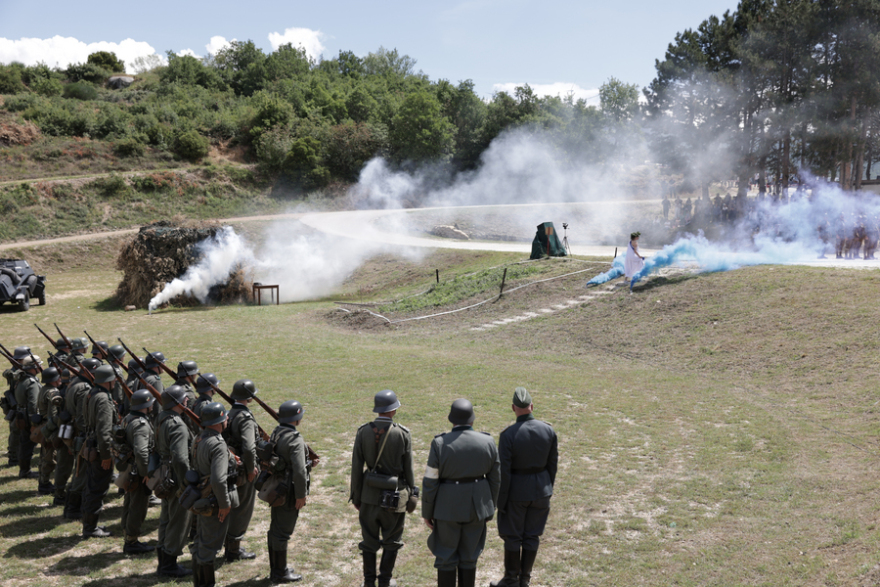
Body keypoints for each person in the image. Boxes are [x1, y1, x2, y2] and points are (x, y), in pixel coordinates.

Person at [422, 399, 500, 587]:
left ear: (451, 419)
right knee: (470, 557)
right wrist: (489, 508)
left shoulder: (439, 443)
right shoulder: (488, 442)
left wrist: (427, 512)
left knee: (446, 557)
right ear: (472, 419)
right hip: (477, 507)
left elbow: (430, 481)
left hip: (446, 508)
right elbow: (496, 480)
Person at [490, 388, 558, 587]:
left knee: (513, 537)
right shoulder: (548, 431)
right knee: (532, 536)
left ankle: (511, 580)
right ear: (532, 406)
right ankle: (524, 580)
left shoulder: (508, 435)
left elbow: (504, 472)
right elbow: (552, 465)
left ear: (513, 408)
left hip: (516, 493)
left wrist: (501, 502)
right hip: (541, 490)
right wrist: (547, 488)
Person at [351, 390, 415, 587]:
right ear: (393, 410)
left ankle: (369, 582)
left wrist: (356, 496)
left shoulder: (363, 432)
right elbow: (408, 469)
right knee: (392, 539)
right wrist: (412, 492)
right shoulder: (402, 433)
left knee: (368, 540)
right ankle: (385, 581)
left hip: (368, 495)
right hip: (394, 496)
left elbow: (356, 467)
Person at [192, 401, 240, 587]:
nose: (227, 419)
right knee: (209, 545)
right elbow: (219, 480)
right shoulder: (218, 444)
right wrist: (225, 504)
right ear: (220, 420)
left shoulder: (199, 439)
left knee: (201, 541)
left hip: (202, 497)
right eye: (225, 417)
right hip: (214, 501)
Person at [266, 400, 311, 584]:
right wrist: (301, 495)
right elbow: (299, 471)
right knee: (282, 532)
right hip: (289, 490)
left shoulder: (277, 432)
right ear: (297, 418)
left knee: (276, 528)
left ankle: (277, 568)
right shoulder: (294, 439)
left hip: (277, 486)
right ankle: (280, 572)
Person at [155, 385, 194, 578]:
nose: (187, 400)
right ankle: (169, 565)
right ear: (177, 402)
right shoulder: (177, 424)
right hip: (176, 477)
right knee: (179, 520)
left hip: (164, 474)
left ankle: (163, 562)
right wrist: (187, 482)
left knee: (166, 518)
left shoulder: (161, 418)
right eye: (184, 398)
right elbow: (180, 458)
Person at [224, 379, 261, 562]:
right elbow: (249, 447)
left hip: (231, 466)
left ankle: (230, 544)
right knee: (242, 508)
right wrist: (251, 468)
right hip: (242, 469)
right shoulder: (245, 417)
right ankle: (234, 549)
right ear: (250, 397)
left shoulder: (230, 413)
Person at [81, 364, 118, 538]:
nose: (116, 382)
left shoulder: (91, 393)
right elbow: (104, 432)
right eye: (114, 379)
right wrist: (106, 456)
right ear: (108, 381)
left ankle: (90, 524)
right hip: (99, 449)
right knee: (97, 489)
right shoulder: (103, 399)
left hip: (90, 445)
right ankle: (90, 528)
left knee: (91, 487)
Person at [119, 389, 156, 554]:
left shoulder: (128, 418)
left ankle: (127, 534)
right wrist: (146, 473)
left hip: (130, 468)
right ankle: (132, 541)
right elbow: (141, 452)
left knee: (129, 501)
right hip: (139, 471)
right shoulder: (141, 424)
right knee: (138, 506)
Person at [35, 365, 64, 496]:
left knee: (44, 454)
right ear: (54, 379)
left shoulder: (44, 389)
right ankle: (44, 484)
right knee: (50, 457)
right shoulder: (53, 392)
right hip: (50, 427)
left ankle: (43, 481)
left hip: (44, 425)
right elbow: (53, 414)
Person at [14, 354, 42, 481]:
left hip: (21, 415)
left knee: (25, 443)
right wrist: (34, 424)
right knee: (28, 445)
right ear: (33, 367)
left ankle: (24, 470)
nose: (40, 366)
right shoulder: (32, 383)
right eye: (39, 364)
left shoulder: (22, 379)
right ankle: (25, 471)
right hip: (28, 418)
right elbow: (33, 405)